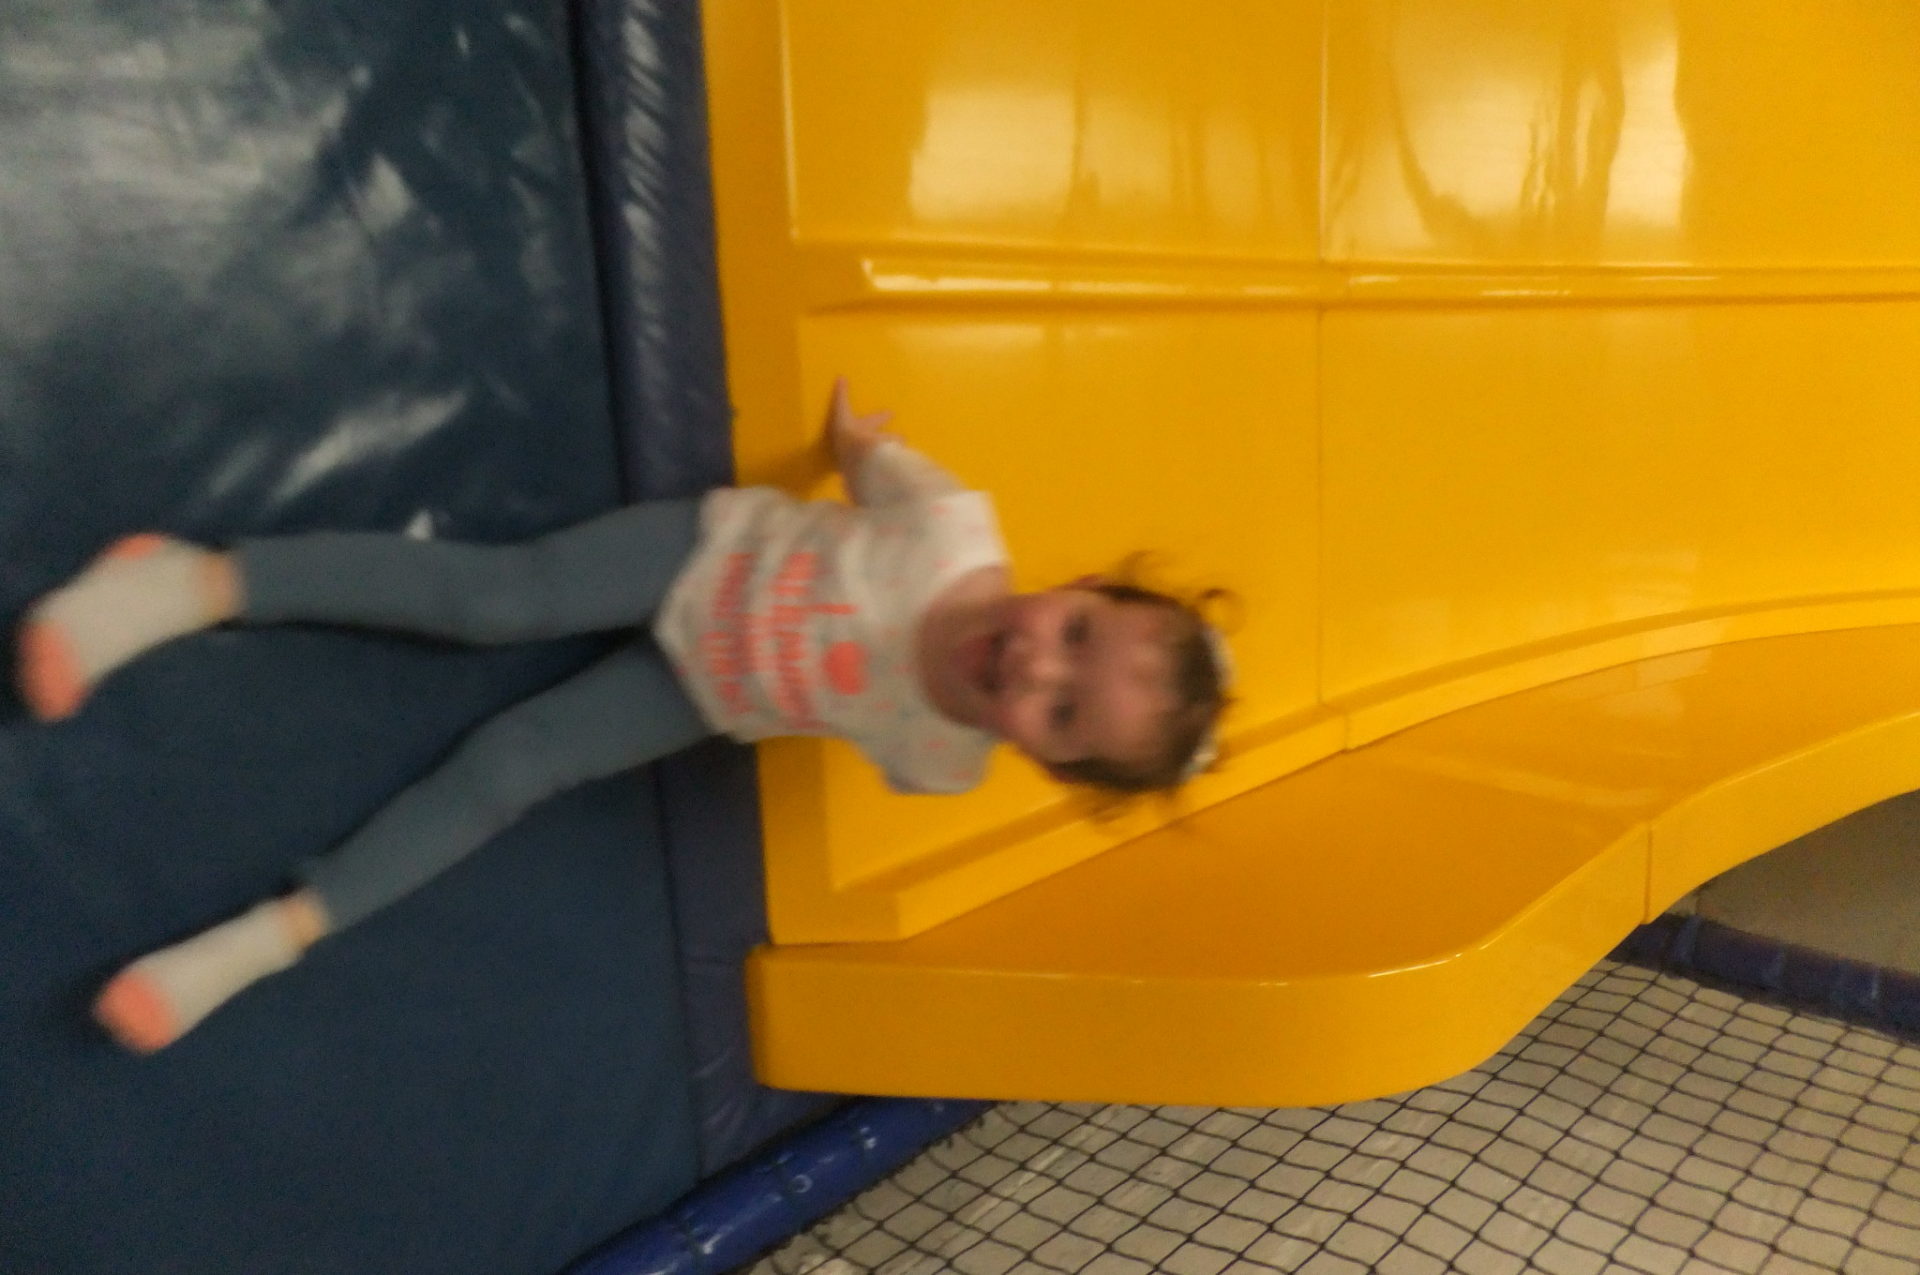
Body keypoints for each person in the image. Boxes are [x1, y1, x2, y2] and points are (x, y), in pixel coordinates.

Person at [15, 379, 1232, 1053]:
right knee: (498, 600)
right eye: (1077, 633)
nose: (1033, 664)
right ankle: (187, 580)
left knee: (512, 769)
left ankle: (260, 942)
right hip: (706, 558)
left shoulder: (943, 759)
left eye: (1061, 714)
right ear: (1082, 587)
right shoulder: (953, 527)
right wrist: (857, 445)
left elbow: (864, 727)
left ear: (1042, 757)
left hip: (708, 693)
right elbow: (880, 469)